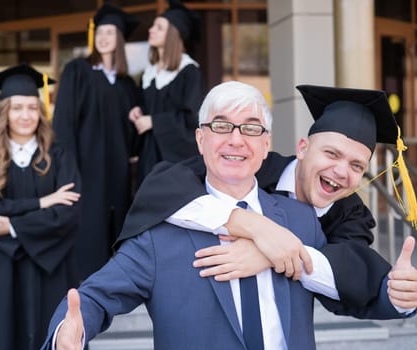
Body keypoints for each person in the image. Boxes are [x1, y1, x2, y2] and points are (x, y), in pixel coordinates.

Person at [41, 82, 404, 350]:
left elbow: (354, 281)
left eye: (250, 128)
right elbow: (95, 296)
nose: (235, 139)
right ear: (200, 141)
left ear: (265, 145)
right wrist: (68, 333)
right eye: (220, 126)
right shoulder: (161, 231)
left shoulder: (308, 220)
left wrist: (401, 294)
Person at [116, 84, 417, 314]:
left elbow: (349, 279)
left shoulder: (351, 214)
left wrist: (272, 256)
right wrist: (254, 227)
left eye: (357, 166)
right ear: (302, 148)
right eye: (331, 153)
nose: (341, 172)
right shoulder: (251, 165)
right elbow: (164, 189)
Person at [0, 64, 81, 350]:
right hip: (1, 268)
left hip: (51, 267)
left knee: (53, 338)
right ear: (3, 111)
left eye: (32, 107)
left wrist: (13, 226)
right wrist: (42, 203)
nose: (25, 115)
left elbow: (67, 213)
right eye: (17, 108)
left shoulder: (59, 156)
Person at [52, 3, 139, 281]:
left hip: (117, 172)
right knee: (88, 227)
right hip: (85, 169)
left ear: (119, 39)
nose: (103, 37)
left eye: (110, 32)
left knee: (116, 225)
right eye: (100, 31)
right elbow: (63, 123)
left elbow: (132, 133)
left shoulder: (127, 84)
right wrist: (68, 169)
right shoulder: (77, 71)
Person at [129, 0, 203, 184]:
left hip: (174, 162)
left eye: (159, 27)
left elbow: (191, 120)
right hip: (148, 157)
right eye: (153, 25)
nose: (151, 29)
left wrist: (154, 122)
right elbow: (145, 109)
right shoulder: (149, 74)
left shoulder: (188, 72)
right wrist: (137, 111)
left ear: (173, 34)